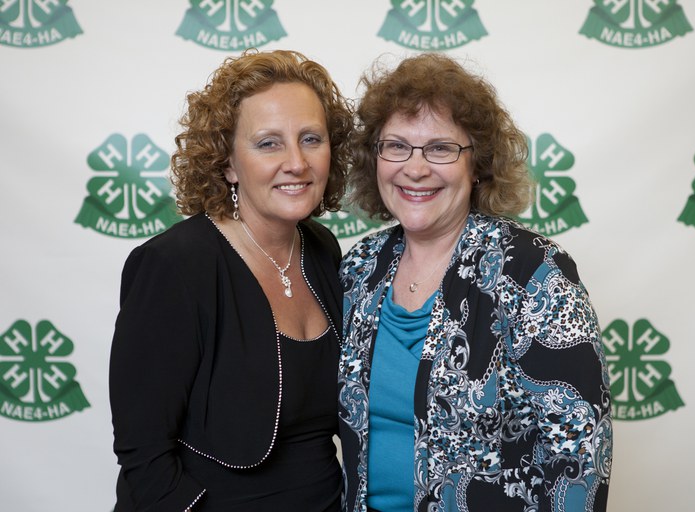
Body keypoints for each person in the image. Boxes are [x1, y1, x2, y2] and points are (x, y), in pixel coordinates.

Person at [337, 53, 612, 511]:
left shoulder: (533, 272)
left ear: (478, 163)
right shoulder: (358, 270)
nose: (415, 168)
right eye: (397, 146)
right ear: (375, 159)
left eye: (440, 148)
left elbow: (580, 455)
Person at [109, 49, 353, 511]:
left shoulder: (323, 249)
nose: (297, 162)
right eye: (268, 143)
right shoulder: (174, 265)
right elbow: (145, 455)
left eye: (310, 139)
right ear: (227, 164)